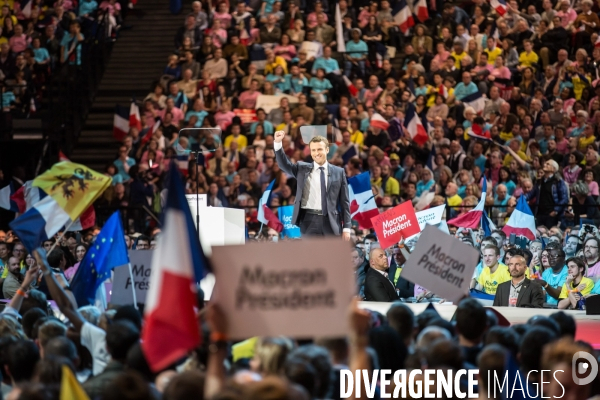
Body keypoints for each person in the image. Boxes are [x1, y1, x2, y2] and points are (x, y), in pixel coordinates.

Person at [273, 131, 351, 239]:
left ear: (327, 150)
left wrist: (347, 228)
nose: (316, 153)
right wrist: (277, 143)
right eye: (313, 150)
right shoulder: (302, 169)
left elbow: (344, 202)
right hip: (308, 221)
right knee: (311, 255)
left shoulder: (339, 172)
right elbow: (283, 165)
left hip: (332, 222)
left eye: (319, 149)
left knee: (331, 256)